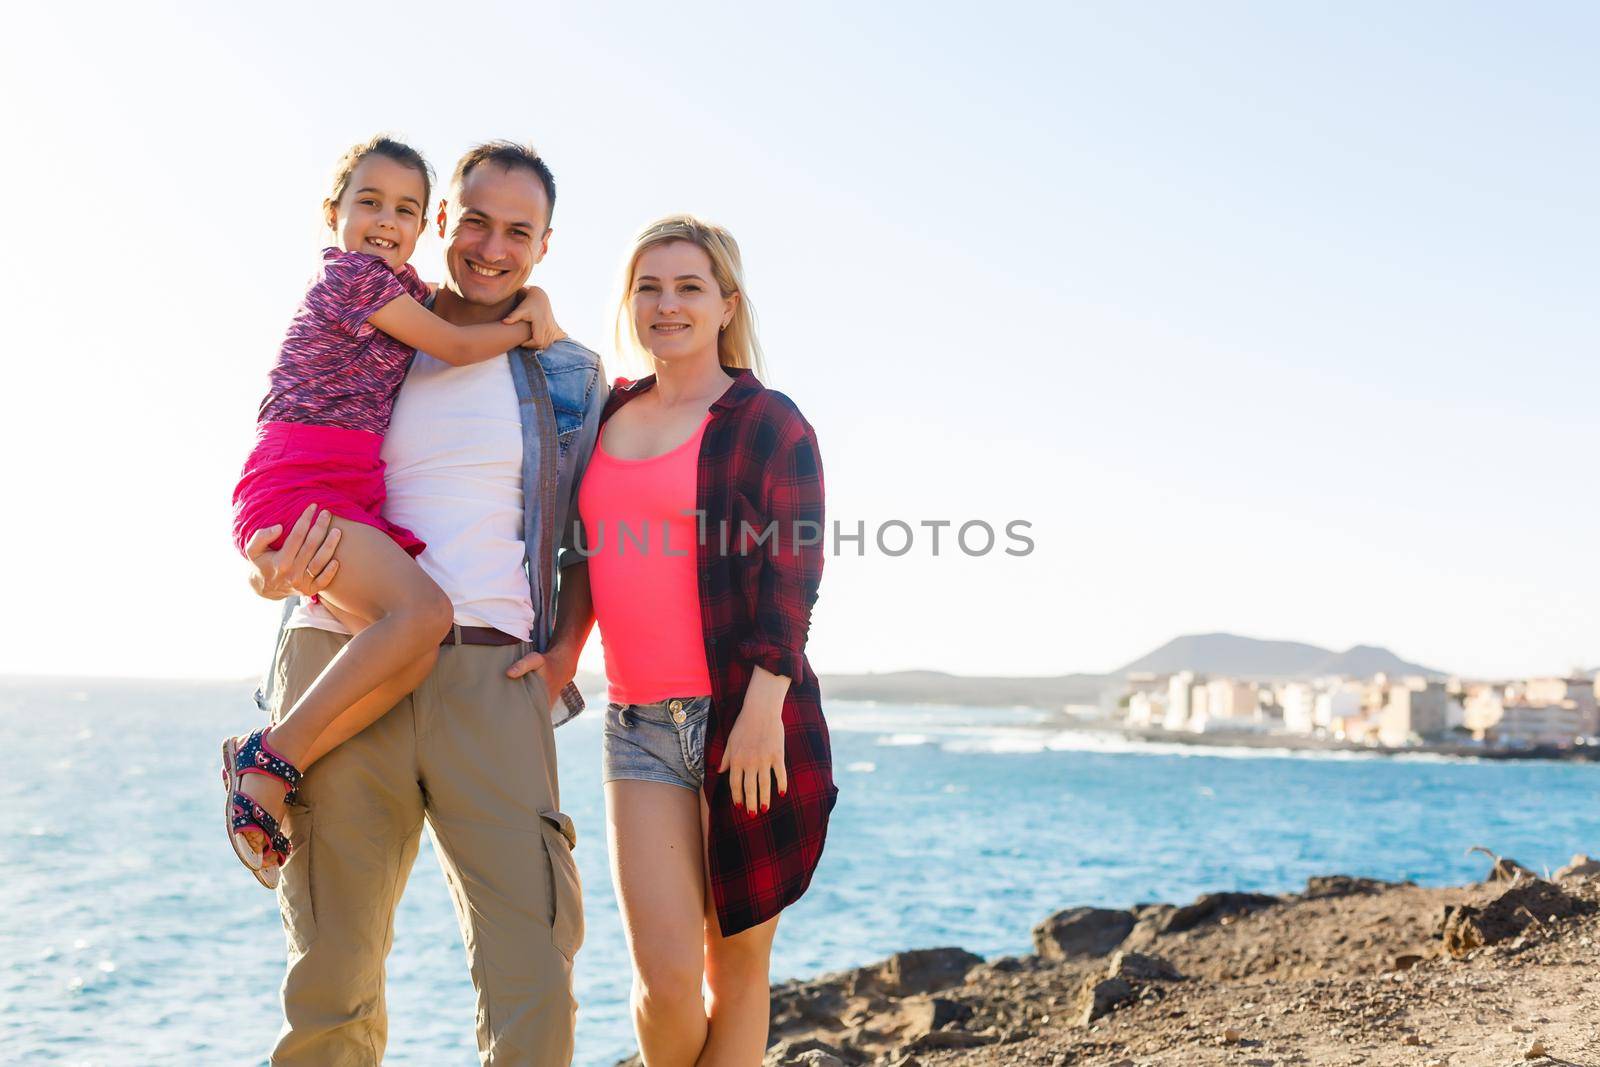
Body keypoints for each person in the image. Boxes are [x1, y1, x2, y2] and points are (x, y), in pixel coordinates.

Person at [239, 140, 603, 1066]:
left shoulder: (569, 374)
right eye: (474, 220)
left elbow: (594, 530)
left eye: (517, 231)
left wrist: (564, 649)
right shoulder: (368, 331)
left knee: (531, 970)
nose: (491, 245)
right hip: (340, 655)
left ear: (544, 245)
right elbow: (281, 479)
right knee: (333, 976)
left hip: (491, 675)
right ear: (443, 224)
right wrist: (266, 573)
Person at [224, 135, 560, 884]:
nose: (385, 219)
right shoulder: (355, 280)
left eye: (403, 207)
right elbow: (452, 341)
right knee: (422, 617)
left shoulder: (395, 282)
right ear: (332, 213)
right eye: (368, 202)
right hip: (305, 477)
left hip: (340, 484)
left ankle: (276, 758)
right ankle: (266, 760)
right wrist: (528, 321)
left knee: (403, 659)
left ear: (424, 221)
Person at [575, 215, 838, 1065]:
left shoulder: (767, 422)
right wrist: (554, 656)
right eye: (648, 287)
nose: (667, 304)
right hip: (639, 723)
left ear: (726, 304)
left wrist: (764, 708)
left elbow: (793, 579)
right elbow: (584, 562)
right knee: (664, 979)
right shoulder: (605, 414)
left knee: (738, 966)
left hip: (749, 718)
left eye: (688, 286)